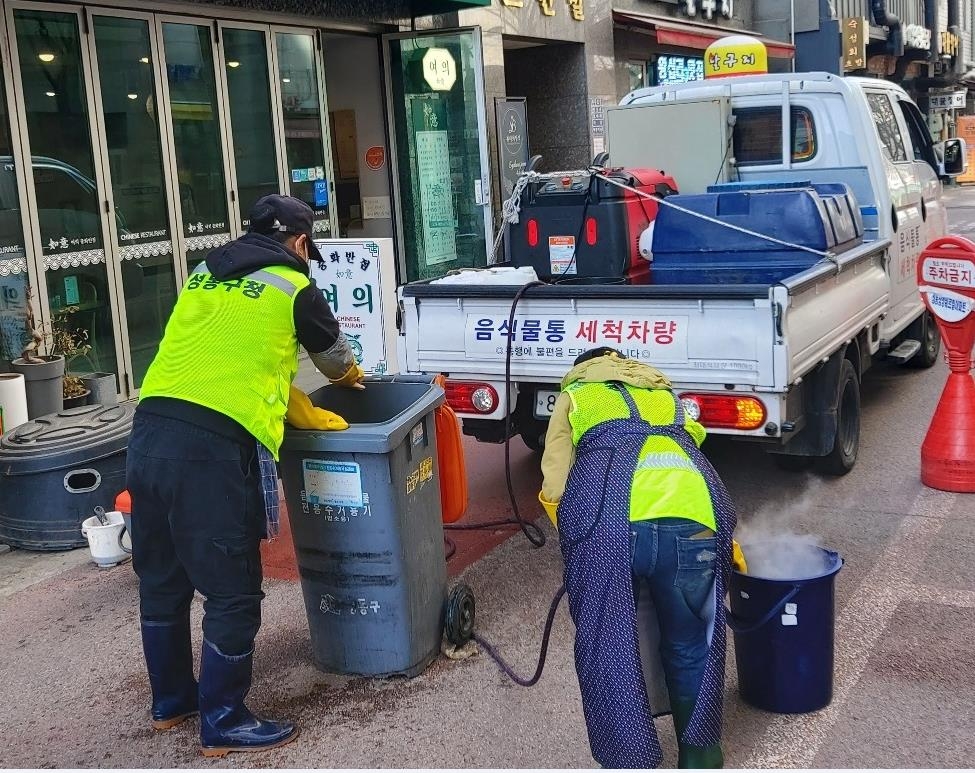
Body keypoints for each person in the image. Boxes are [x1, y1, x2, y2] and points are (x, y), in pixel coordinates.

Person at [128, 194, 364, 757]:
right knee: (232, 592)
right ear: (302, 243)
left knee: (162, 582)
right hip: (208, 450)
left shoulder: (204, 274)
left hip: (147, 432)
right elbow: (334, 358)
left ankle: (172, 703)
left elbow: (223, 352)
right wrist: (355, 375)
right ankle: (224, 720)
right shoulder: (295, 287)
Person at [539, 347, 743, 769]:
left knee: (610, 643)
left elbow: (556, 479)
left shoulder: (578, 395)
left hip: (612, 526)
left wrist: (575, 541)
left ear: (586, 369)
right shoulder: (665, 397)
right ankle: (701, 757)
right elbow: (695, 450)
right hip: (696, 521)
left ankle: (630, 759)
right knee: (690, 641)